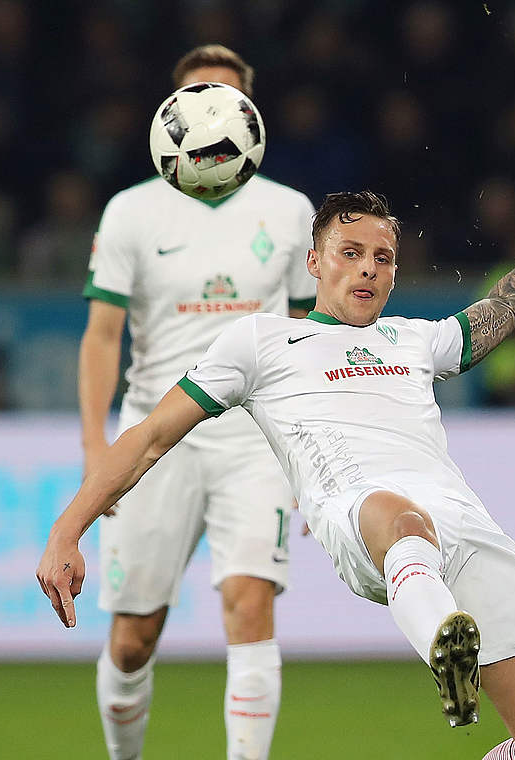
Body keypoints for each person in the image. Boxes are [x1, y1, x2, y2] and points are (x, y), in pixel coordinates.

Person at [40, 157, 515, 760]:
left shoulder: (416, 339)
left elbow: (510, 303)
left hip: (464, 526)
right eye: (350, 252)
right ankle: (443, 650)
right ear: (314, 262)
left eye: (383, 257)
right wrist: (68, 529)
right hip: (362, 515)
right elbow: (148, 438)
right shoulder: (260, 342)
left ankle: (457, 654)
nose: (368, 268)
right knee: (399, 517)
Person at [78, 44, 317, 760]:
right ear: (169, 116)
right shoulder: (130, 214)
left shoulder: (290, 210)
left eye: (226, 99)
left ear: (249, 115)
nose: (210, 112)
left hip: (253, 438)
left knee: (250, 606)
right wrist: (98, 453)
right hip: (154, 437)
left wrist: (310, 455)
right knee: (132, 639)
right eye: (196, 100)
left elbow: (306, 339)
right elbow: (101, 336)